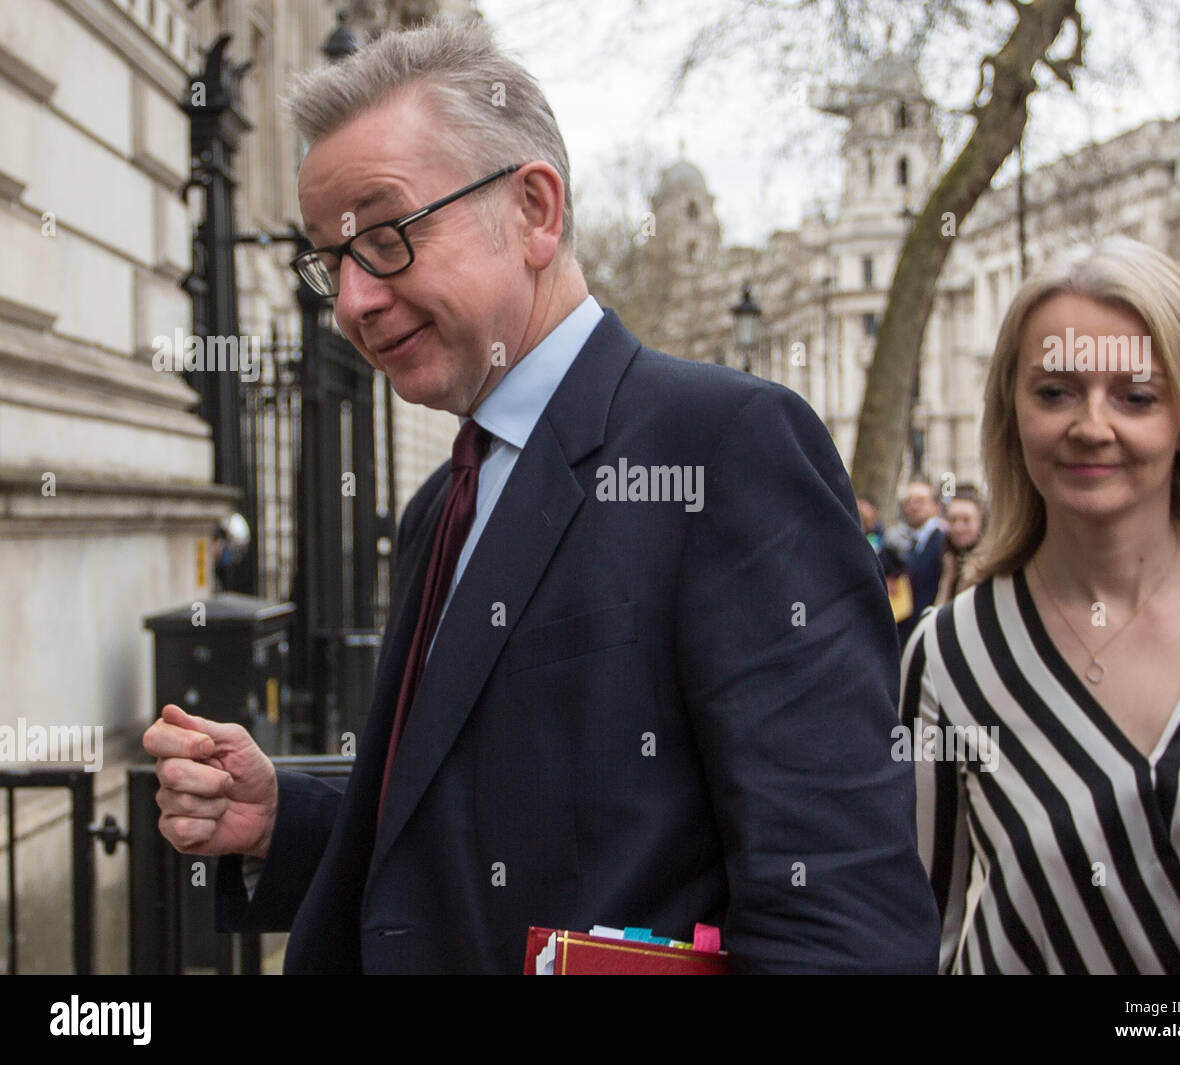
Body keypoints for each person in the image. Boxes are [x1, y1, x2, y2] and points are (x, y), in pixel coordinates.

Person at [142, 19, 938, 975]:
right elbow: (476, 835)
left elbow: (839, 914)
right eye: (328, 259)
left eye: (386, 236)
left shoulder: (727, 449)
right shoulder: (442, 501)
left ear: (533, 211)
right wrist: (286, 819)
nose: (351, 299)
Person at [901, 236, 1180, 974]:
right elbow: (911, 928)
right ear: (1011, 413)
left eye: (1135, 396)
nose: (1090, 424)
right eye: (1053, 392)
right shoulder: (950, 654)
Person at [893, 479, 946, 645]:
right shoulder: (908, 541)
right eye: (909, 501)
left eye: (920, 501)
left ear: (936, 507)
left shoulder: (943, 542)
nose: (913, 506)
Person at [934, 486, 984, 606]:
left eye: (966, 520)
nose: (958, 528)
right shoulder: (946, 558)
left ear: (981, 522)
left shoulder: (990, 566)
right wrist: (948, 580)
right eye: (953, 520)